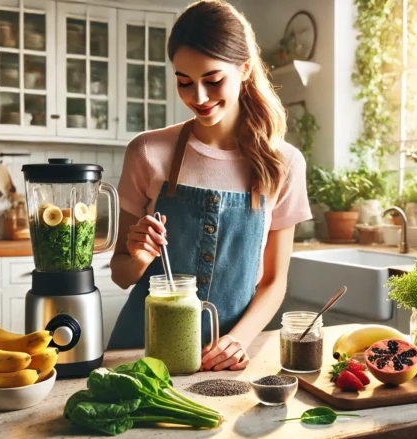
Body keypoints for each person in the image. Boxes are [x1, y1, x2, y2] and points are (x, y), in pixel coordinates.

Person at [108, 0, 312, 372]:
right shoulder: (147, 152)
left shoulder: (284, 164)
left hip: (222, 359)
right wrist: (139, 256)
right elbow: (120, 274)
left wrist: (240, 339)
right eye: (184, 82)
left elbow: (274, 281)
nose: (198, 98)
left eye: (213, 80)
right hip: (141, 352)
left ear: (245, 68)